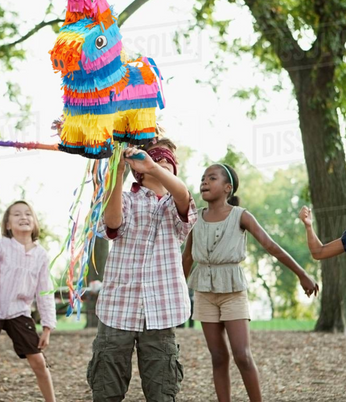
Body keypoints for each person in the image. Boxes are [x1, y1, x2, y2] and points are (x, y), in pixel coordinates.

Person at [182, 164, 319, 402]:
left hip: (233, 290)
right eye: (203, 178)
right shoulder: (196, 219)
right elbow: (187, 257)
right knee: (217, 356)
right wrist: (178, 292)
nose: (204, 182)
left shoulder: (241, 215)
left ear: (227, 188)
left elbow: (271, 246)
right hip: (204, 291)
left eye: (211, 178)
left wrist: (301, 273)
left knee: (242, 355)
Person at [87, 138, 198, 402]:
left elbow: (182, 195)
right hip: (117, 308)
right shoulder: (126, 198)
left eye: (167, 163)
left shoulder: (175, 204)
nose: (160, 165)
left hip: (162, 310)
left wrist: (153, 166)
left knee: (162, 390)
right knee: (107, 388)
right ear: (138, 172)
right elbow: (113, 223)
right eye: (155, 160)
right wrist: (116, 174)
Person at [0, 200, 57, 402]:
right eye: (16, 214)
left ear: (34, 223)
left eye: (28, 214)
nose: (23, 217)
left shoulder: (41, 255)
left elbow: (45, 292)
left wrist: (47, 327)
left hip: (19, 311)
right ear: (8, 225)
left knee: (38, 362)